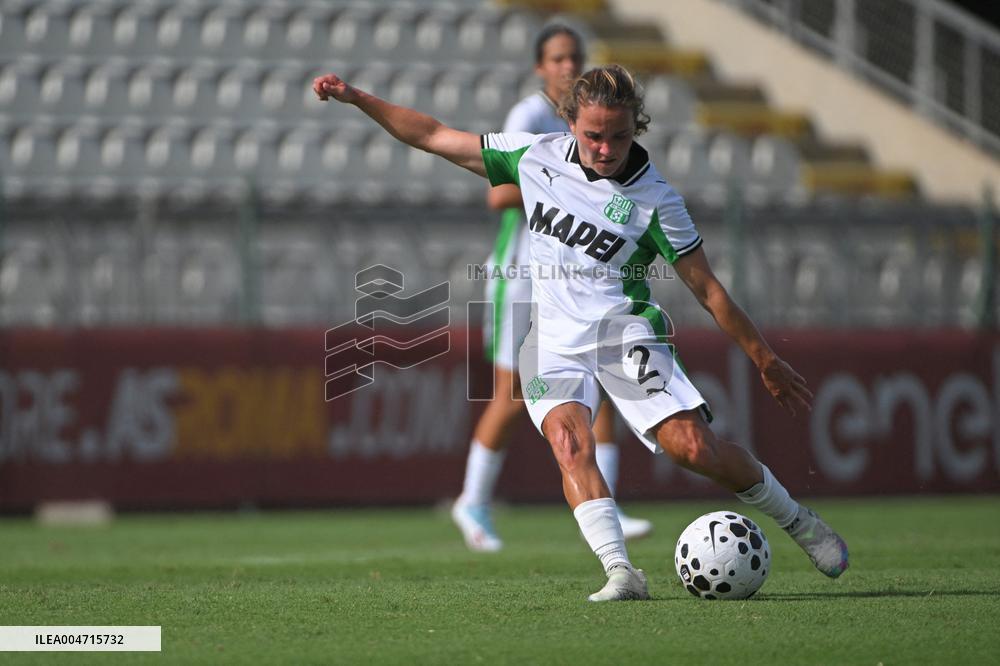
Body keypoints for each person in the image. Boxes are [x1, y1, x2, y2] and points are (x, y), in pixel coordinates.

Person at [312, 63, 849, 602]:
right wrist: (358, 98)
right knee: (570, 444)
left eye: (618, 135)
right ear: (570, 121)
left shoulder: (656, 200)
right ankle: (622, 573)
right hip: (551, 337)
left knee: (692, 449)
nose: (605, 147)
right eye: (593, 135)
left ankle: (799, 521)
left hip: (623, 333)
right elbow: (430, 135)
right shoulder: (533, 156)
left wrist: (764, 358)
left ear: (635, 127)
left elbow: (708, 290)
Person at [452, 24, 652, 553]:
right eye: (558, 59)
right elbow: (496, 198)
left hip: (578, 276)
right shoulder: (530, 117)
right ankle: (472, 500)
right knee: (513, 393)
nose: (568, 66)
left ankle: (608, 501)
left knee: (605, 376)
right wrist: (560, 191)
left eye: (575, 57)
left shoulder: (596, 121)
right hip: (522, 275)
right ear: (541, 67)